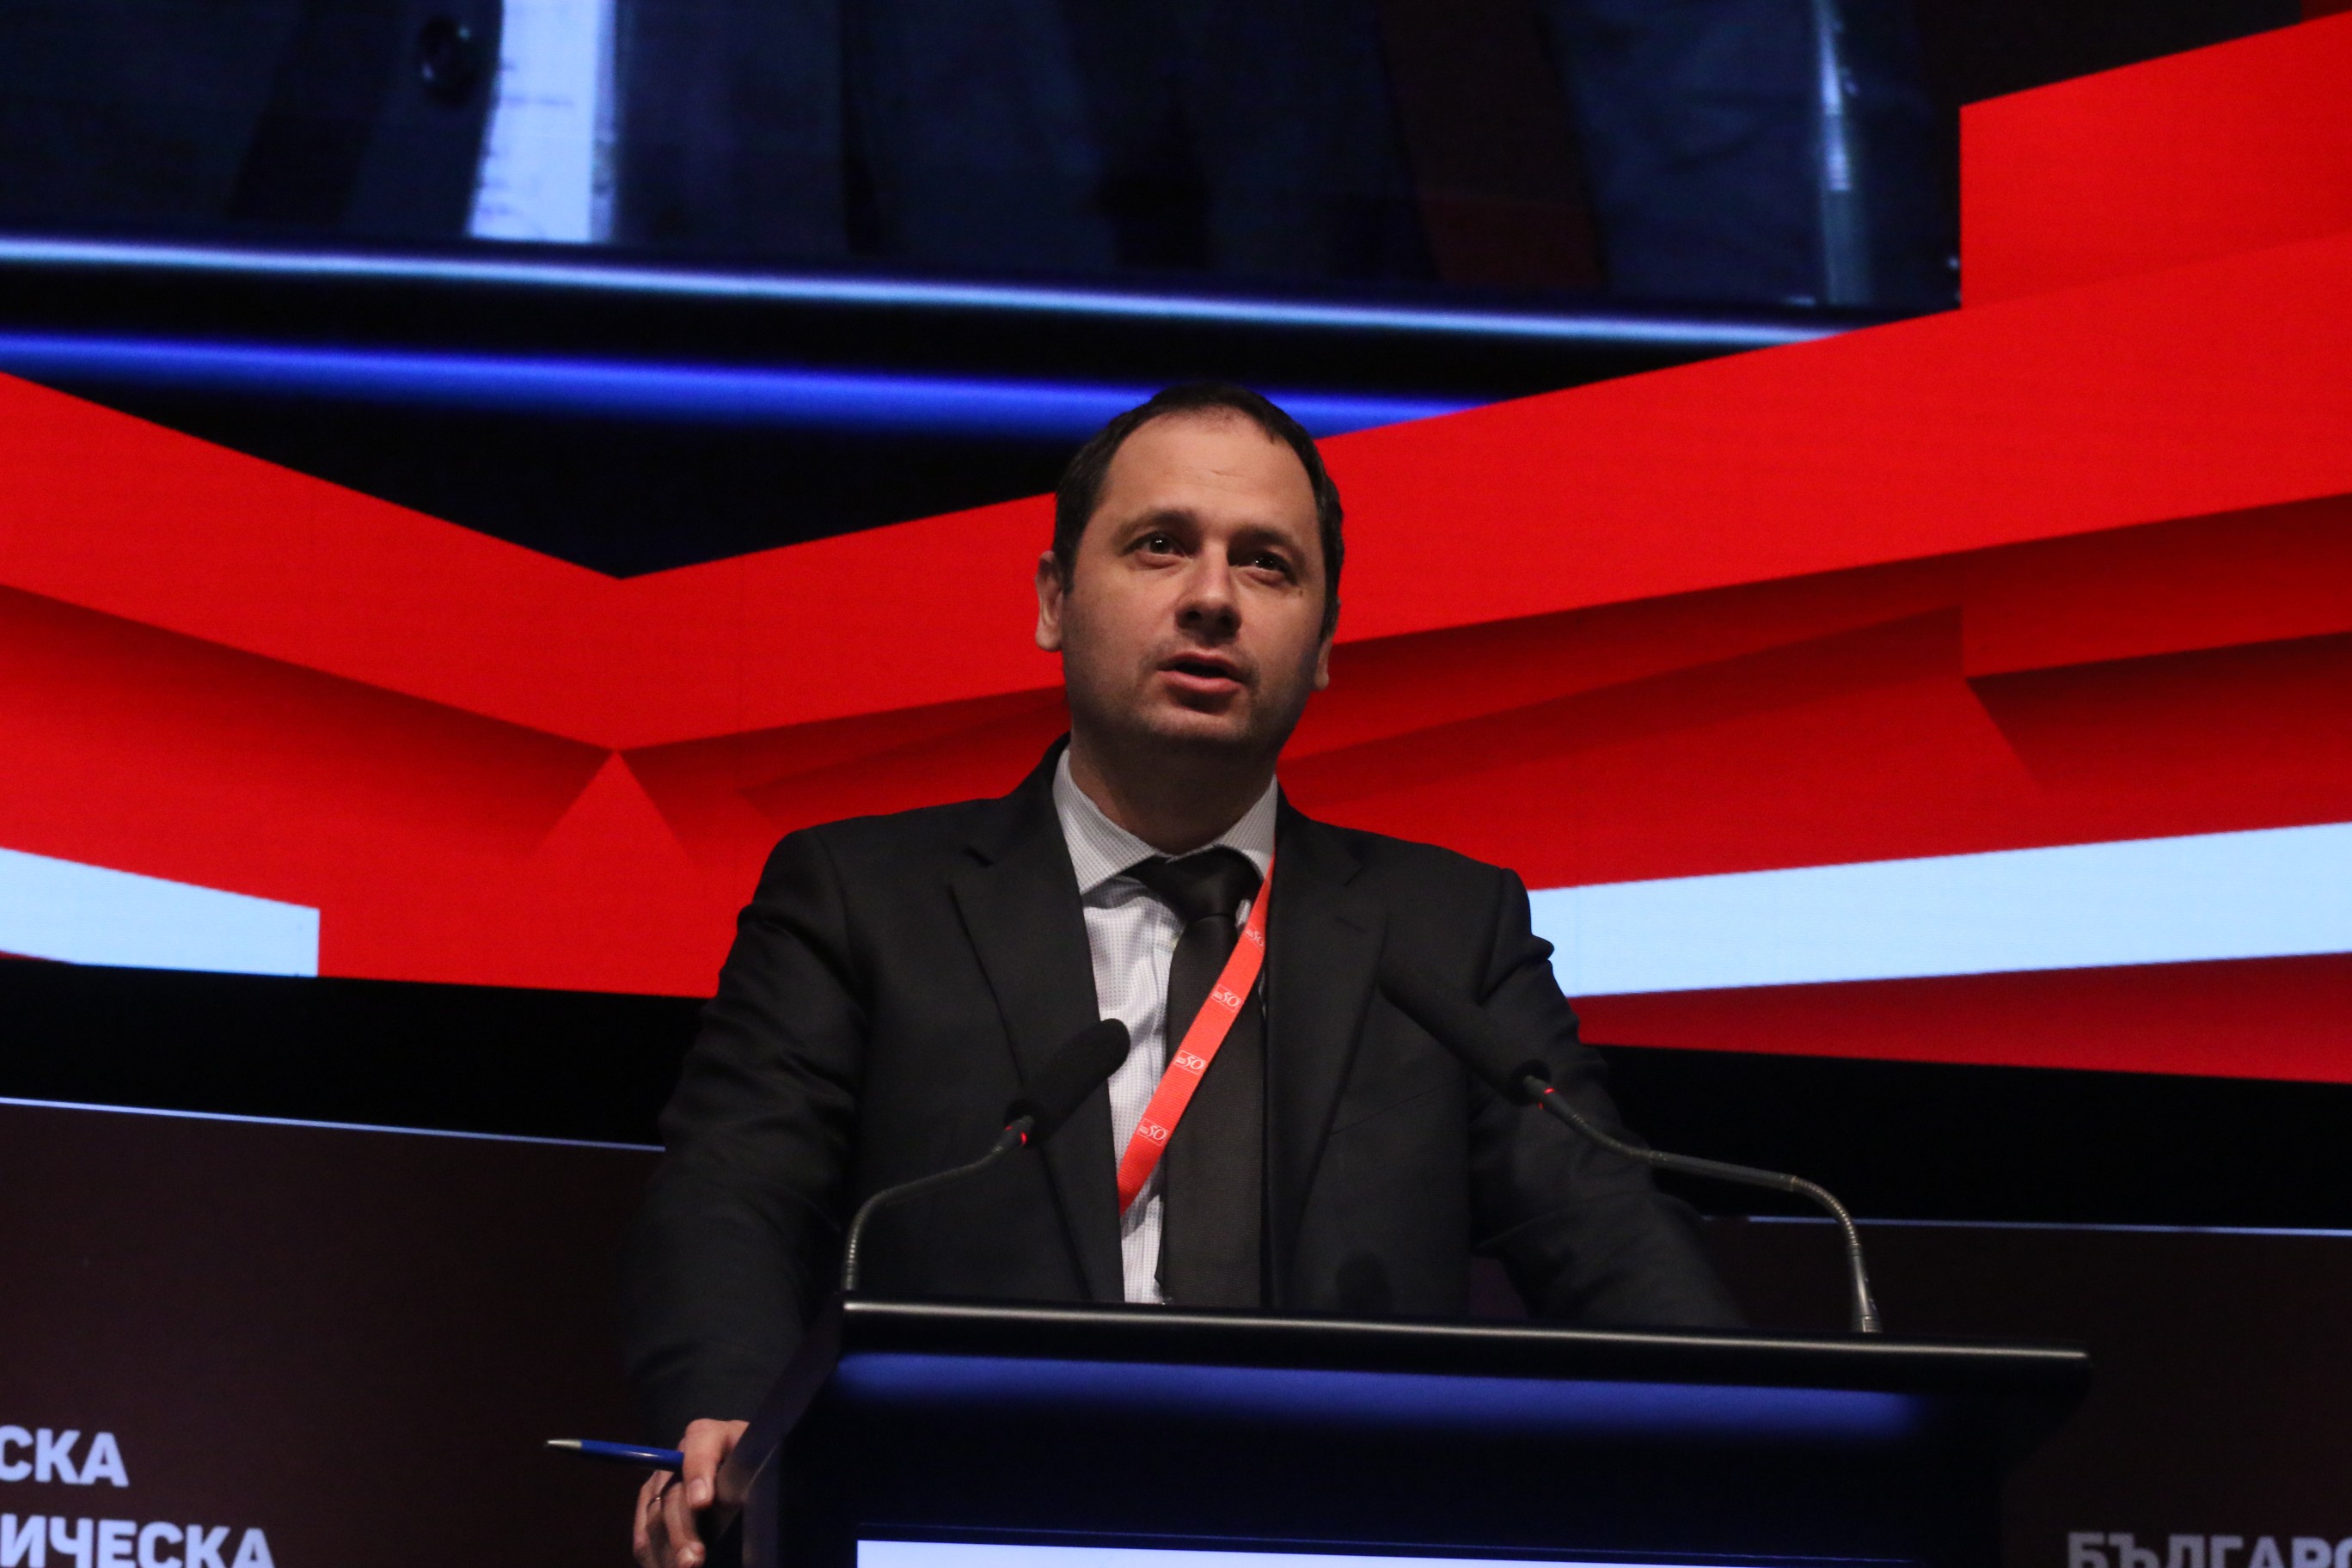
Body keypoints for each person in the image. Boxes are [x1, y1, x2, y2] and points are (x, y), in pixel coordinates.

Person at [620, 382, 1742, 1568]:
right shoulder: (863, 898)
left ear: (1323, 644)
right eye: (1160, 545)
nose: (1212, 597)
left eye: (1267, 564)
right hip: (959, 1520)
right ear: (1055, 601)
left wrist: (1745, 1439)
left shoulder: (1445, 928)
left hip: (1337, 1535)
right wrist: (730, 1421)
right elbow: (733, 1195)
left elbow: (1605, 1229)